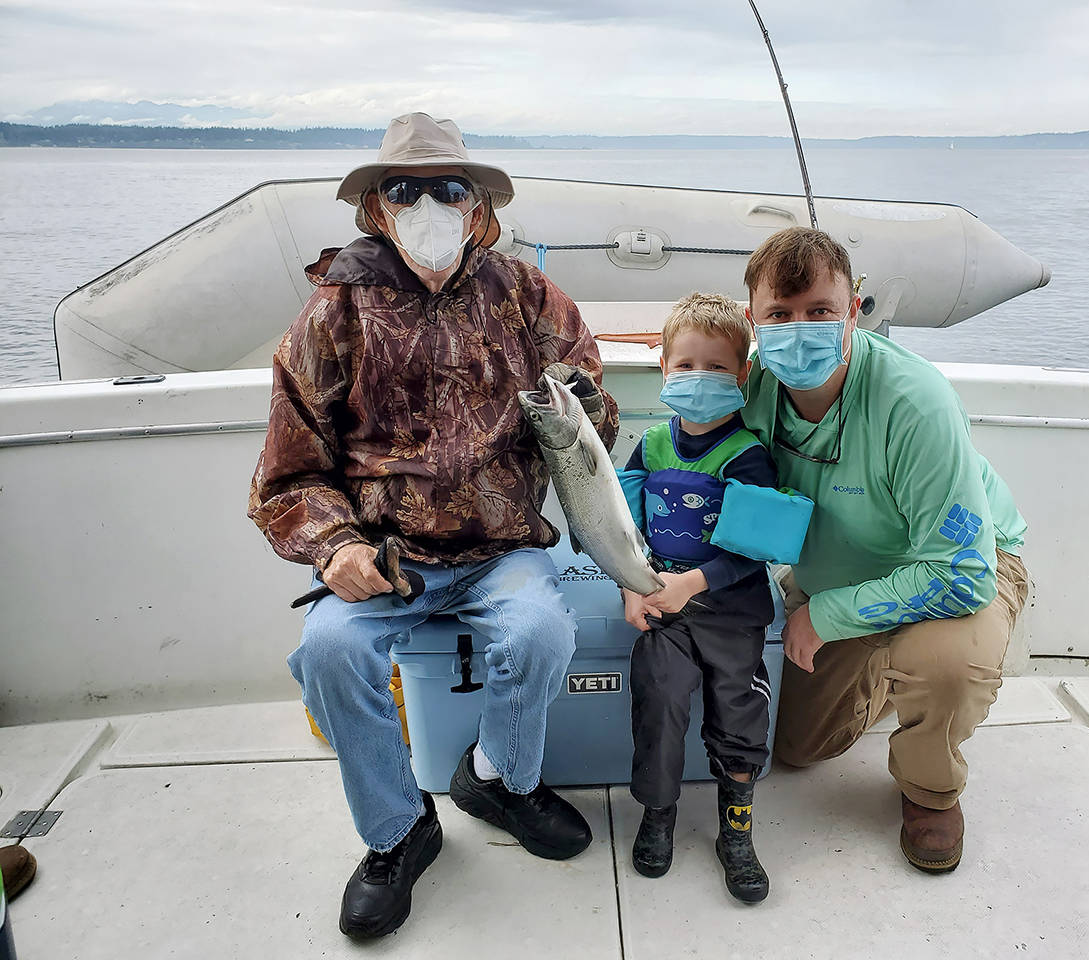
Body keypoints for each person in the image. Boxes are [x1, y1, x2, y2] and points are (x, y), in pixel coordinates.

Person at [247, 112, 619, 939]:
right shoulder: (331, 315)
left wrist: (590, 406)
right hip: (385, 554)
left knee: (541, 633)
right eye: (403, 190)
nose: (427, 207)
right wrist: (336, 546)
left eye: (448, 190)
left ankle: (499, 778)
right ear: (376, 210)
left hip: (502, 545)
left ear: (478, 208)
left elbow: (590, 401)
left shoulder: (526, 295)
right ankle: (399, 831)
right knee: (329, 651)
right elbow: (288, 473)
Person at [739, 227, 1029, 873]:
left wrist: (826, 616)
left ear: (854, 306)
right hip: (839, 571)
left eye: (820, 310)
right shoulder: (753, 387)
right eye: (779, 315)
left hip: (959, 567)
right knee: (796, 748)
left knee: (947, 663)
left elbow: (962, 572)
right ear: (752, 320)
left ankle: (930, 789)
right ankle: (887, 670)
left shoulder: (914, 401)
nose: (800, 328)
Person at [619, 293, 780, 903]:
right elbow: (625, 530)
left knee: (738, 713)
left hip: (732, 613)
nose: (698, 378)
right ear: (663, 367)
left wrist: (693, 583)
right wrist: (634, 587)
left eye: (715, 367)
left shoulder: (749, 456)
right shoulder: (651, 447)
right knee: (658, 695)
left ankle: (735, 829)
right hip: (665, 610)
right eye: (685, 365)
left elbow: (751, 550)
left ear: (742, 375)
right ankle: (657, 813)